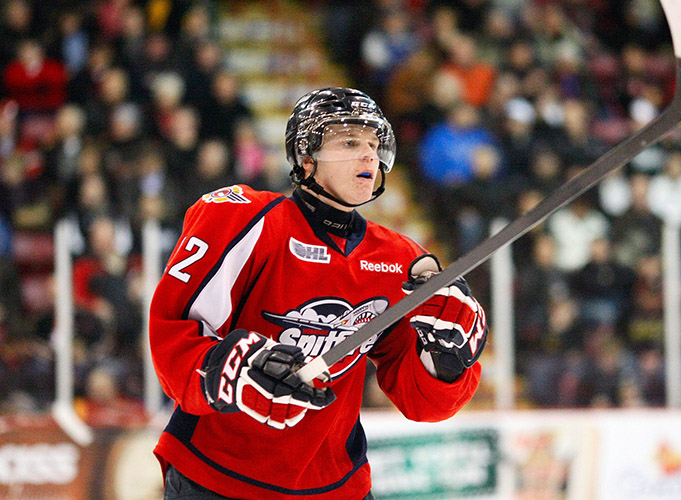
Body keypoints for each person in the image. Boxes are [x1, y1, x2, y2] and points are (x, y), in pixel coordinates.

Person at [149, 87, 489, 499]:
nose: (369, 155)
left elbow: (423, 403)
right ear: (306, 158)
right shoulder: (244, 220)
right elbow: (172, 344)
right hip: (216, 477)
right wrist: (233, 369)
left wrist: (447, 362)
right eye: (349, 142)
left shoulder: (401, 260)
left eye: (373, 143)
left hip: (335, 486)